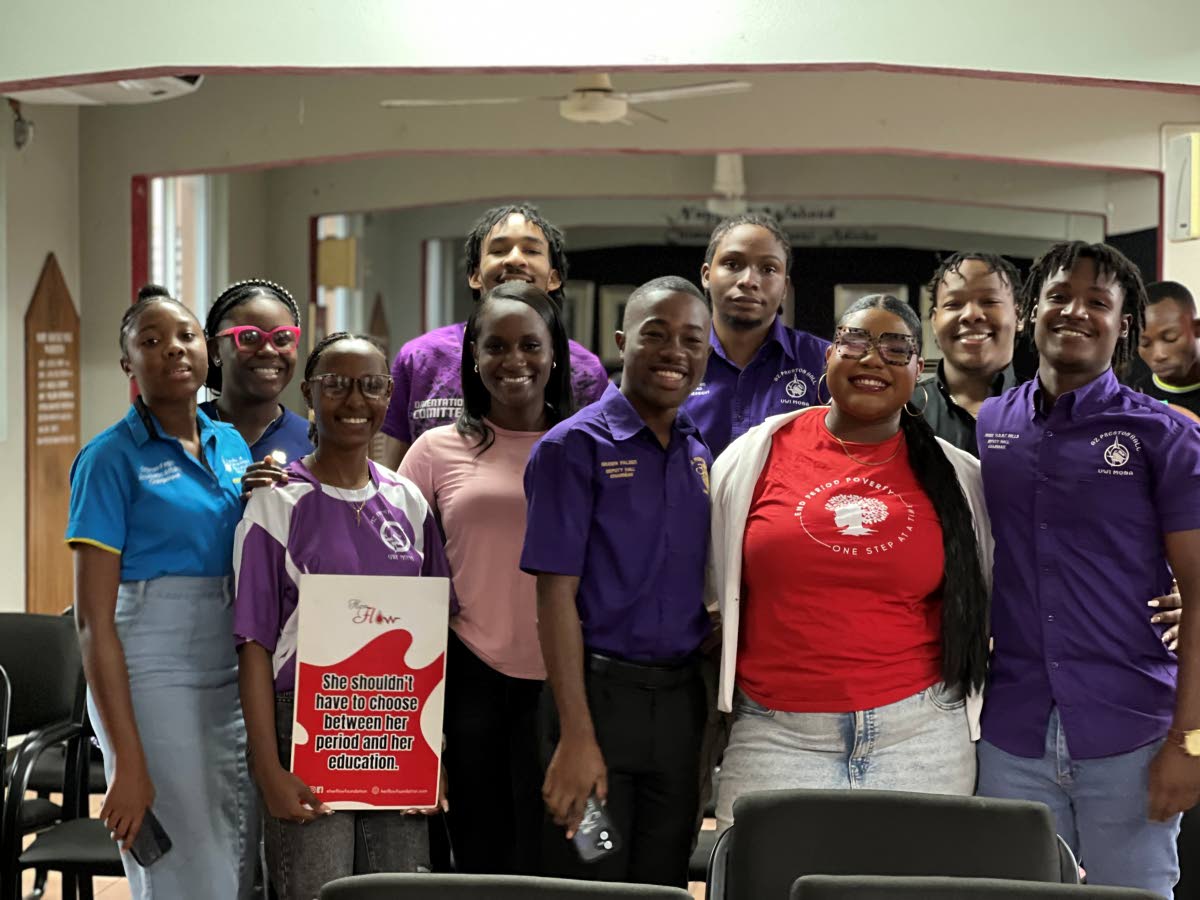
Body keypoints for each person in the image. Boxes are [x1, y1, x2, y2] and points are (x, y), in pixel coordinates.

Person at [709, 293, 992, 832]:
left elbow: (1004, 583)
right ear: (827, 356)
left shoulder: (960, 477)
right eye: (855, 341)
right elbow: (709, 577)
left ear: (918, 369)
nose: (871, 359)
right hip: (777, 737)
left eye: (895, 348)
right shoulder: (754, 455)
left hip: (921, 738)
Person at [975, 241, 1200, 897]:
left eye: (1098, 302)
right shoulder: (994, 423)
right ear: (1030, 311)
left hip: (1132, 736)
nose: (1075, 311)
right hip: (1011, 739)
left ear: (1123, 323)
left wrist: (1191, 745)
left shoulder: (1167, 435)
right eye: (1058, 297)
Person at [233, 332, 453, 900]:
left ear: (389, 395)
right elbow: (253, 646)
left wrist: (433, 756)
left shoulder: (410, 502)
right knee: (316, 891)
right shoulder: (275, 503)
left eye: (372, 385)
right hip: (305, 723)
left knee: (399, 892)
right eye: (336, 384)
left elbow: (431, 639)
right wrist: (268, 769)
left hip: (395, 726)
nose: (355, 400)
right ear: (309, 392)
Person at [520, 276, 713, 887]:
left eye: (691, 338)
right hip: (596, 706)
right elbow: (554, 597)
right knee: (592, 874)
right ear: (622, 341)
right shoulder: (572, 447)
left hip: (679, 714)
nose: (673, 351)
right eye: (655, 335)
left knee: (662, 883)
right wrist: (576, 735)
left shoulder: (698, 451)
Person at [67, 290, 258, 899]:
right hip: (153, 669)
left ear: (208, 350)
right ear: (128, 363)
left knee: (239, 845)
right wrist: (124, 762)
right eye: (150, 341)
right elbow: (94, 622)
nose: (172, 349)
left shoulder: (231, 445)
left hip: (231, 661)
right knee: (186, 863)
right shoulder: (108, 460)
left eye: (185, 336)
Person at [399, 281, 574, 875]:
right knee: (480, 853)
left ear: (555, 353)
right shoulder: (432, 450)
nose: (514, 361)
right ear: (473, 356)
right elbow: (404, 581)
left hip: (568, 683)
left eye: (530, 344)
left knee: (571, 854)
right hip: (468, 677)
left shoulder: (587, 445)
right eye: (495, 346)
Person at [381, 204, 608, 468]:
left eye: (531, 250)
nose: (514, 259)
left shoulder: (586, 371)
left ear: (554, 278)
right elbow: (393, 483)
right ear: (475, 275)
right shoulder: (420, 358)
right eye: (498, 250)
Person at [681, 213, 829, 458]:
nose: (749, 280)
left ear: (784, 287)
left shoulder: (824, 362)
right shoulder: (675, 357)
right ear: (706, 275)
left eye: (768, 269)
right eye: (732, 264)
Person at [919, 252, 1022, 455]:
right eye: (953, 304)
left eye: (989, 301)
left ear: (1019, 316)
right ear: (933, 321)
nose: (971, 315)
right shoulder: (903, 414)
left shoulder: (1049, 412)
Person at [201, 279, 313, 463]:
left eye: (282, 338)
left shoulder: (314, 444)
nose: (268, 350)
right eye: (249, 337)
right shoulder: (183, 433)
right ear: (215, 350)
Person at [1132, 280, 1200, 418]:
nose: (1159, 354)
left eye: (1170, 338)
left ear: (1197, 329)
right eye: (1145, 344)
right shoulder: (1138, 395)